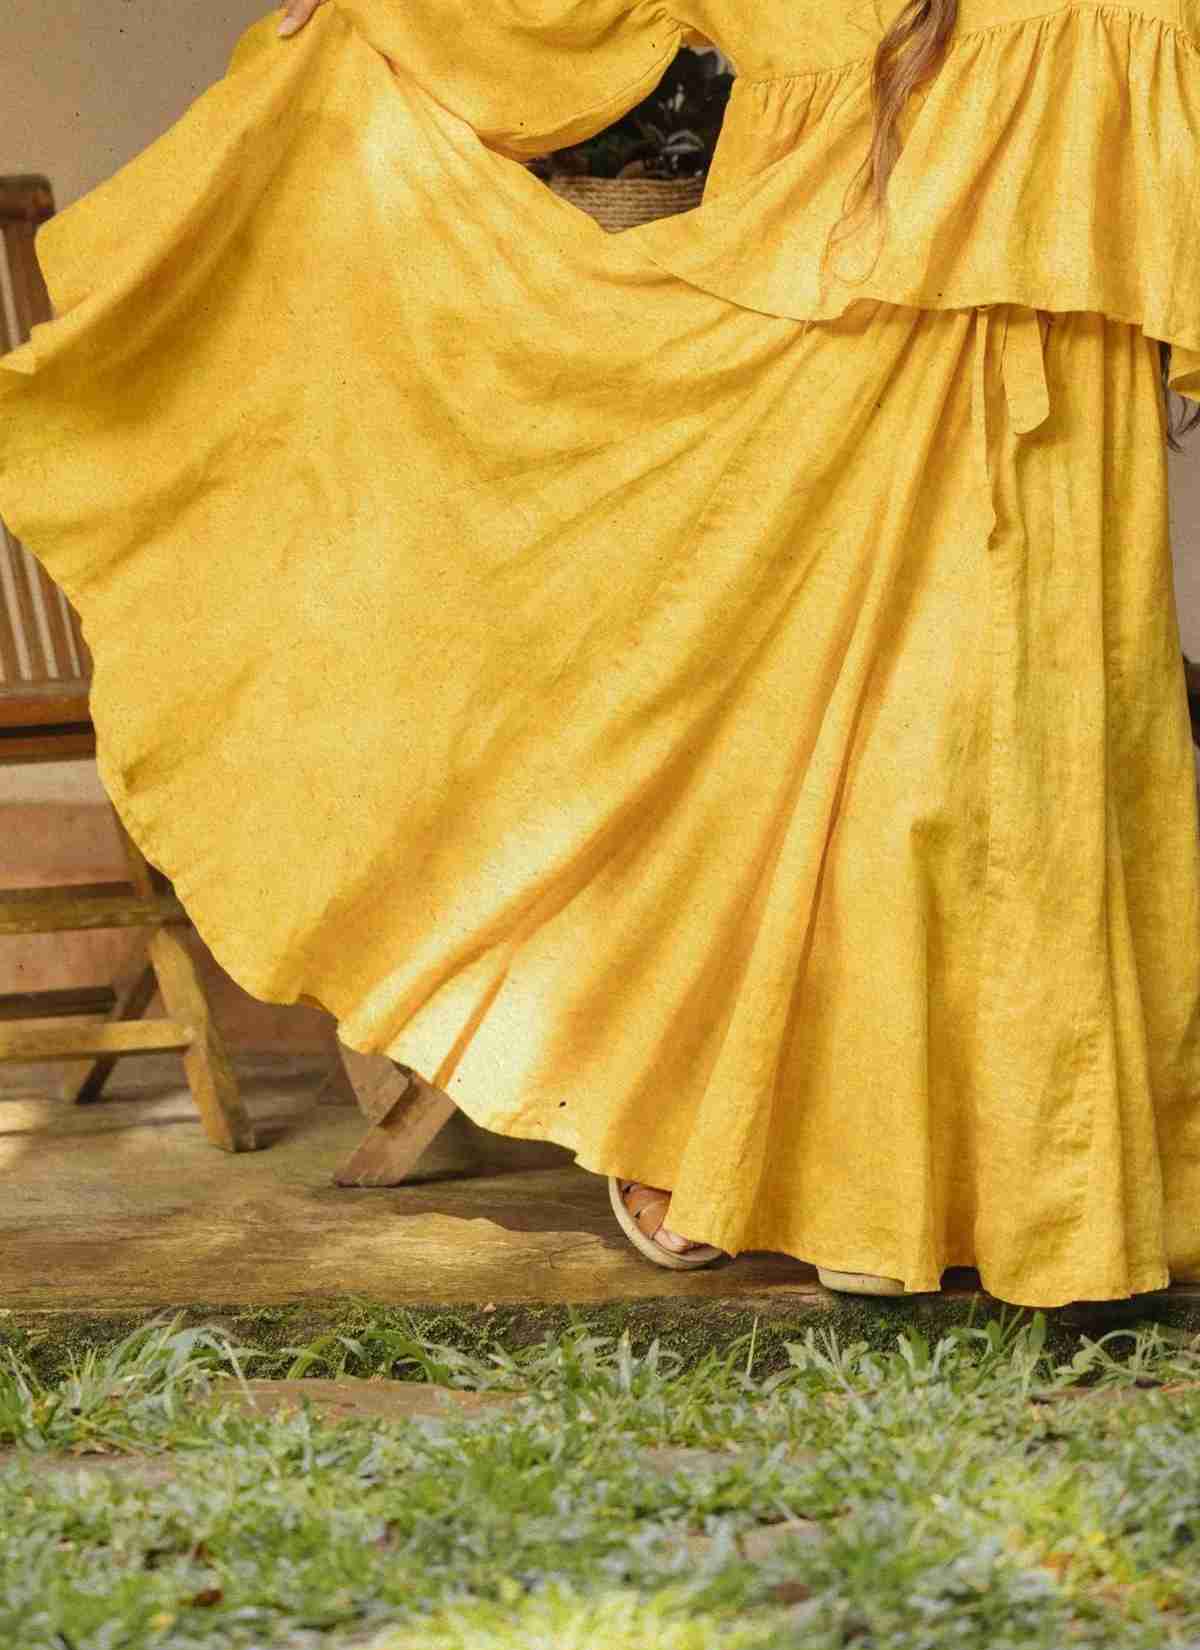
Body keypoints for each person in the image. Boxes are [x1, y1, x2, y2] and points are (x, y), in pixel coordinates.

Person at [1, 0, 1198, 1306]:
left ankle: (927, 1188)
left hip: (967, 410)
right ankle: (831, 1169)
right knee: (844, 756)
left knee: (988, 763)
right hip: (824, 393)